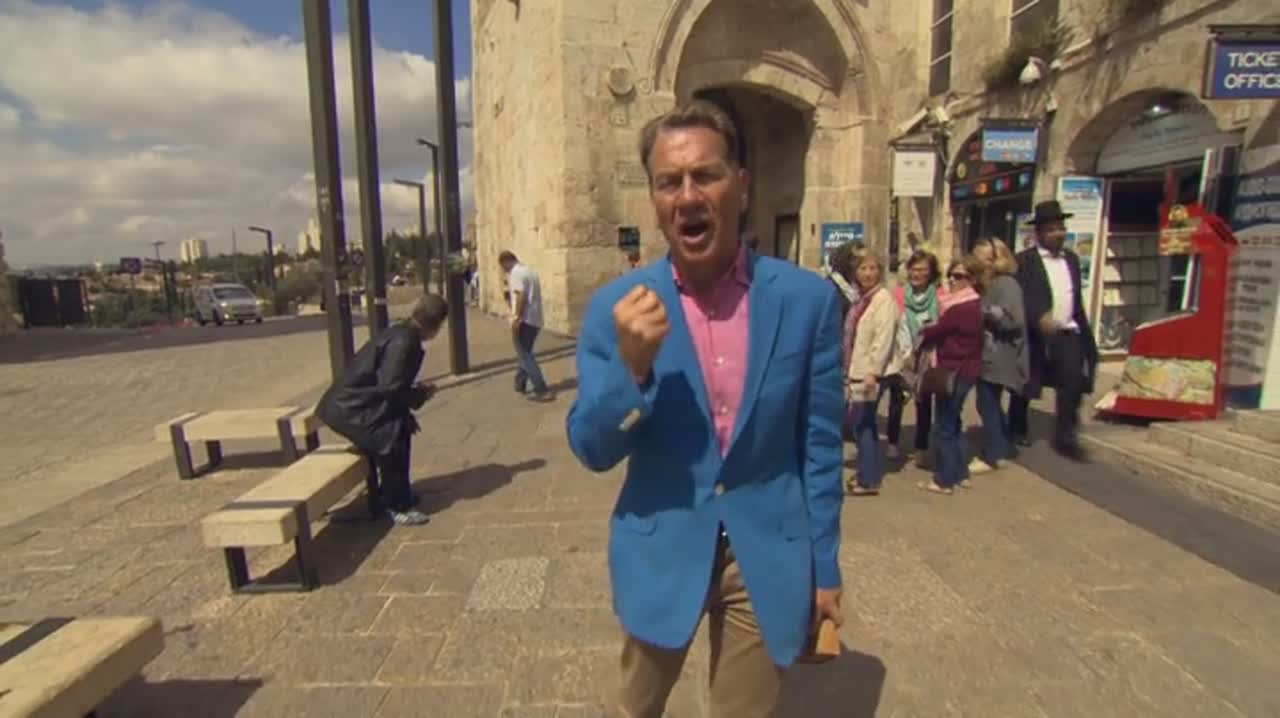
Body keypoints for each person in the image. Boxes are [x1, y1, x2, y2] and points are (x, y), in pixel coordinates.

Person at [566, 100, 844, 718]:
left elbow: (820, 448)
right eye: (669, 182)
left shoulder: (808, 301)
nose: (688, 195)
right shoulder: (618, 307)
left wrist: (824, 567)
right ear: (655, 199)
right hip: (660, 547)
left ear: (741, 185)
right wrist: (632, 369)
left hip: (765, 550)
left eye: (706, 176)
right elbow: (591, 448)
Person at [315, 294, 448, 526]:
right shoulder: (405, 342)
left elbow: (390, 385)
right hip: (350, 410)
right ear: (435, 325)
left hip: (353, 406)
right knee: (393, 439)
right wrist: (420, 394)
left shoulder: (401, 332)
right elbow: (392, 387)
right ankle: (397, 505)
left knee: (399, 429)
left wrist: (411, 400)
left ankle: (395, 494)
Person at [1009, 201, 1099, 460]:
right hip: (1036, 333)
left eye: (1061, 228)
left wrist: (1085, 334)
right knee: (1026, 383)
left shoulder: (1071, 259)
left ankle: (1066, 436)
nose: (1058, 234)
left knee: (1071, 383)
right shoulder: (1024, 261)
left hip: (1068, 331)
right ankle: (1016, 426)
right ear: (1039, 233)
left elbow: (1074, 297)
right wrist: (1037, 316)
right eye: (1052, 229)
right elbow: (1019, 297)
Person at [916, 258, 984, 495]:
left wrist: (926, 330)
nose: (953, 281)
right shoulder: (967, 303)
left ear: (972, 279)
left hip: (955, 371)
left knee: (944, 426)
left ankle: (943, 480)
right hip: (964, 370)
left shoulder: (962, 307)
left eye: (960, 276)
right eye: (951, 275)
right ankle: (959, 472)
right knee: (953, 423)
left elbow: (934, 332)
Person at [843, 248, 902, 496]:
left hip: (872, 373)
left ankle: (868, 480)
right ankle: (868, 472)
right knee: (862, 423)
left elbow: (883, 339)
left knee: (863, 423)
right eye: (863, 268)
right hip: (858, 370)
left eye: (873, 268)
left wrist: (873, 373)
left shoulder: (883, 300)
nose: (868, 273)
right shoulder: (863, 299)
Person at [970, 238, 1029, 474]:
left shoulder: (1006, 284)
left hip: (1000, 354)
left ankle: (994, 454)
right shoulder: (987, 284)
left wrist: (981, 312)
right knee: (988, 403)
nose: (977, 263)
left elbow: (1012, 320)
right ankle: (1002, 445)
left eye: (981, 258)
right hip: (988, 352)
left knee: (987, 403)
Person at [886, 250, 945, 464]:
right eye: (913, 269)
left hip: (928, 356)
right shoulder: (898, 295)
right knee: (896, 400)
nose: (917, 274)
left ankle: (921, 446)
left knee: (923, 402)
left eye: (922, 270)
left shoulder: (939, 296)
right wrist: (905, 353)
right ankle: (892, 443)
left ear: (931, 273)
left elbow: (942, 326)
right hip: (902, 354)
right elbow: (893, 326)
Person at [499, 250, 553, 402]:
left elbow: (520, 296)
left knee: (525, 355)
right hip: (535, 318)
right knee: (524, 351)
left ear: (506, 262)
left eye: (503, 267)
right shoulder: (530, 271)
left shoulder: (516, 273)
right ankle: (520, 382)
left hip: (525, 320)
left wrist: (517, 318)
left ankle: (541, 389)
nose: (505, 271)